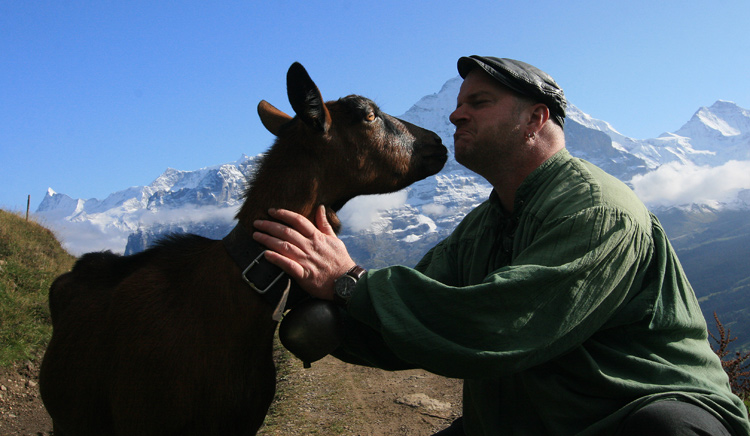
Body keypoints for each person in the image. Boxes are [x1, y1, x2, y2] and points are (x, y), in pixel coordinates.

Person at [252, 56, 750, 435]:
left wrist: (351, 283)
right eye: (458, 103)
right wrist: (325, 308)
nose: (454, 115)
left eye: (478, 103)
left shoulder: (596, 209)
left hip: (626, 415)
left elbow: (501, 324)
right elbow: (421, 320)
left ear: (536, 119)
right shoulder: (483, 226)